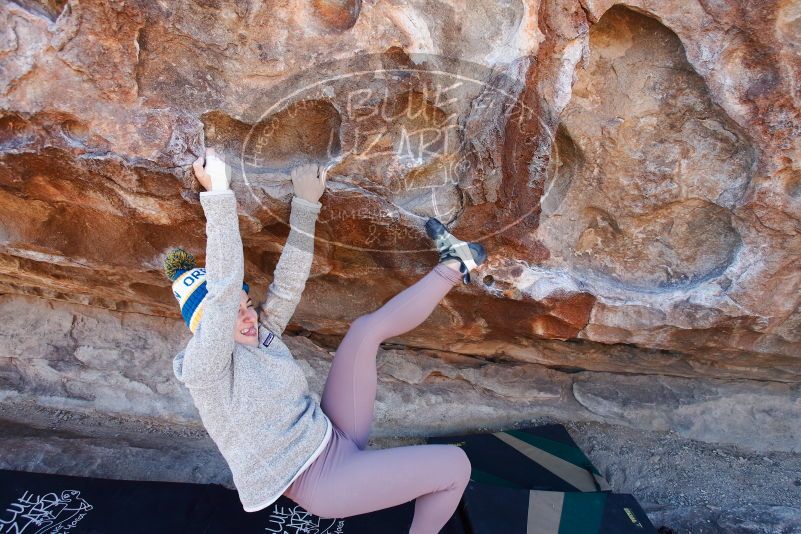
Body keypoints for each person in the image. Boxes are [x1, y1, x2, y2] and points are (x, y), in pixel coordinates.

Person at [166, 147, 488, 533]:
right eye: (234, 313)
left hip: (330, 434)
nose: (249, 316)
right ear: (207, 326)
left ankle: (457, 262)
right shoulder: (206, 368)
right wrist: (218, 193)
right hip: (322, 482)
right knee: (456, 466)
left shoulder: (258, 336)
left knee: (365, 331)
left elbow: (287, 286)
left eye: (247, 304)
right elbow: (220, 292)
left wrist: (305, 205)